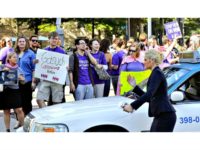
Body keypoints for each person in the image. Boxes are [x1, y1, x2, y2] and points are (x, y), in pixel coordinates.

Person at [122, 49, 177, 132]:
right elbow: (150, 96)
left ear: (151, 60)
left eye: (145, 60)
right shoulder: (155, 72)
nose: (143, 62)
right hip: (161, 115)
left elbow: (149, 94)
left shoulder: (157, 73)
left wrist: (132, 106)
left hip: (165, 116)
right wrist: (134, 86)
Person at [36, 32, 66, 108]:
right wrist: (36, 62)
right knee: (39, 99)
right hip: (46, 79)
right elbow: (39, 65)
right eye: (53, 38)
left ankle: (55, 118)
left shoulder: (62, 51)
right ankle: (46, 114)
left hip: (57, 80)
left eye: (56, 39)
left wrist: (67, 67)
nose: (54, 40)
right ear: (49, 39)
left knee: (57, 102)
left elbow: (65, 66)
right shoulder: (43, 51)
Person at [1, 52, 25, 132]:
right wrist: (3, 71)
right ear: (9, 58)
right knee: (6, 111)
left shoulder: (19, 69)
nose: (16, 58)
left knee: (19, 110)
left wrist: (22, 79)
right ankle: (7, 129)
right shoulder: (2, 67)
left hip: (15, 91)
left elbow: (23, 82)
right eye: (14, 57)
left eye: (16, 57)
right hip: (5, 91)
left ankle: (23, 127)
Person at [15, 36, 36, 116]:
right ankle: (20, 121)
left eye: (23, 41)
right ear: (17, 43)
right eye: (20, 41)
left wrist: (33, 82)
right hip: (15, 82)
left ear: (26, 42)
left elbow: (34, 69)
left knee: (27, 102)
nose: (21, 43)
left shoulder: (31, 54)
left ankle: (27, 122)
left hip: (27, 81)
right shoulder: (14, 53)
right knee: (17, 103)